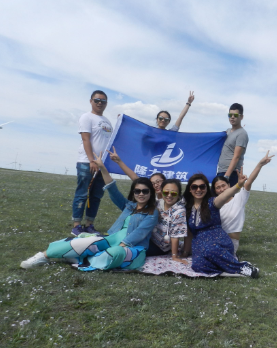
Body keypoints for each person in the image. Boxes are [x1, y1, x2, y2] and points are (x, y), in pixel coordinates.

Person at [20, 153, 159, 271]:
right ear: (133, 192)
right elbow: (112, 190)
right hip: (111, 239)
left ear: (150, 193)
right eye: (137, 191)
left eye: (145, 191)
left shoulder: (152, 212)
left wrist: (122, 245)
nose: (141, 194)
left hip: (132, 247)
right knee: (84, 242)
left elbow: (140, 232)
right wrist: (102, 167)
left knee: (115, 253)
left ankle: (79, 257)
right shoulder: (128, 206)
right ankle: (43, 256)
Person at [105, 147, 188, 263]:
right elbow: (136, 180)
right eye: (153, 183)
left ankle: (112, 252)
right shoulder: (153, 200)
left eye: (159, 181)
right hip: (148, 237)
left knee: (129, 247)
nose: (156, 185)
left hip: (158, 244)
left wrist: (174, 255)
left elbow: (175, 233)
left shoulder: (175, 205)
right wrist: (119, 161)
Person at [182, 172, 259, 278]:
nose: (198, 189)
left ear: (206, 189)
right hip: (199, 243)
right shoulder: (187, 209)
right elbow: (189, 234)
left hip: (218, 240)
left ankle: (242, 267)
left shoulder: (212, 202)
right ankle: (227, 270)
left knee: (210, 250)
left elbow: (224, 195)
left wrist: (238, 185)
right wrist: (185, 252)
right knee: (198, 266)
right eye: (194, 187)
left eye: (202, 186)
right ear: (190, 189)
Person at [211, 151, 274, 255]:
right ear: (214, 190)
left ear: (229, 185)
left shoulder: (239, 199)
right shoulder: (213, 203)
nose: (221, 189)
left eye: (223, 186)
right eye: (218, 187)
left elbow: (249, 182)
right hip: (214, 239)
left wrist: (260, 164)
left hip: (230, 242)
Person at [71, 90, 113, 236]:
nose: (100, 103)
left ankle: (89, 224)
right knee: (82, 194)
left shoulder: (107, 121)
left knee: (96, 196)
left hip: (103, 164)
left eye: (103, 101)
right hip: (87, 162)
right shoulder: (86, 117)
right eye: (97, 100)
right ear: (91, 101)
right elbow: (85, 139)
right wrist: (91, 160)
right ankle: (77, 225)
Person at [216, 103, 249, 187]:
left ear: (241, 117)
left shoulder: (242, 134)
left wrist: (226, 176)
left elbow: (236, 156)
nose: (232, 117)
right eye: (230, 115)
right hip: (221, 171)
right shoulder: (227, 131)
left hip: (231, 174)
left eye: (235, 115)